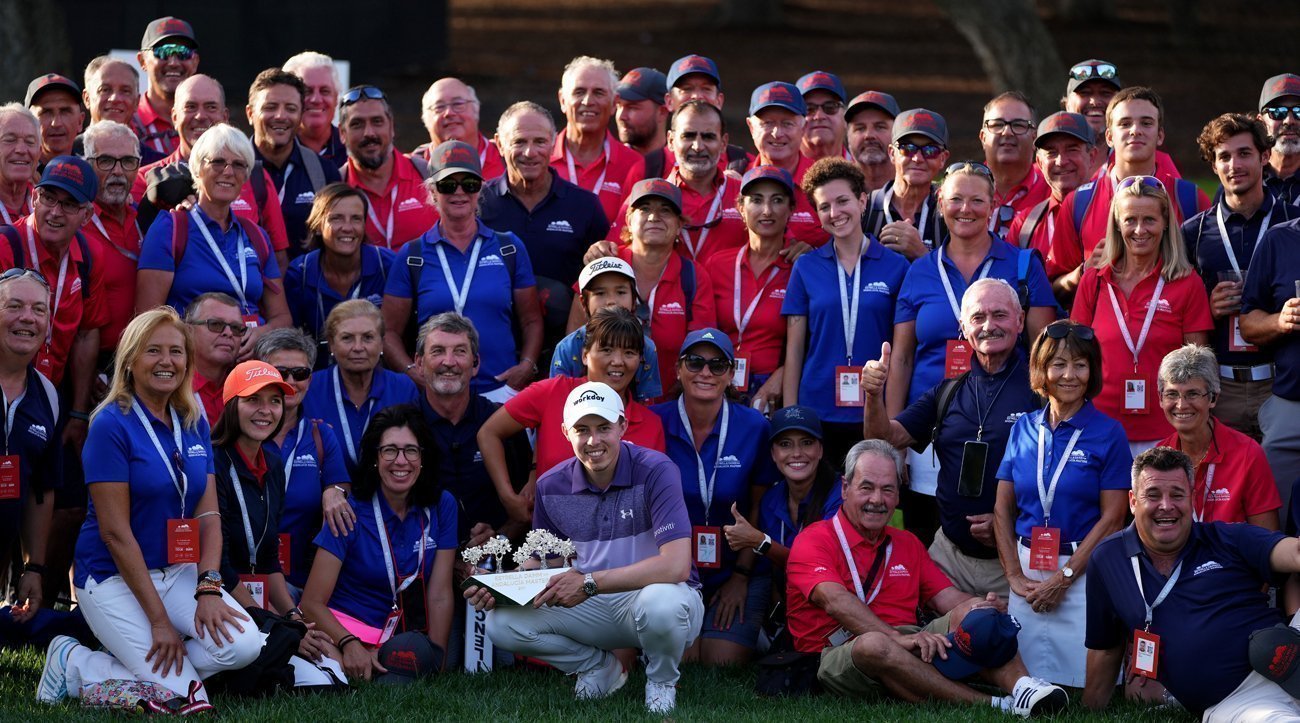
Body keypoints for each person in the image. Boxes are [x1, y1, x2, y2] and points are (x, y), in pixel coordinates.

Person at [37, 308, 262, 705]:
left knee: (244, 646)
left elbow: (208, 514)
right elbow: (114, 533)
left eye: (176, 352)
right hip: (112, 576)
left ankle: (119, 663)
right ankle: (73, 662)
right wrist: (160, 622)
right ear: (130, 361)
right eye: (152, 351)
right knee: (186, 698)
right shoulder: (110, 423)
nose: (166, 361)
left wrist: (209, 587)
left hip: (178, 571)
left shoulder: (193, 417)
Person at [467, 381, 703, 714]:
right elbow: (544, 562)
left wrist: (590, 582)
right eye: (582, 429)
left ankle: (662, 682)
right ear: (565, 432)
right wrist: (500, 586)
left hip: (656, 597)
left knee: (661, 603)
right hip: (593, 602)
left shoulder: (656, 471)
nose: (593, 441)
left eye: (604, 427)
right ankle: (598, 668)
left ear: (622, 426)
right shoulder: (551, 485)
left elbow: (676, 566)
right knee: (500, 623)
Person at [785, 439, 1068, 715]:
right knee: (875, 644)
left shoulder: (906, 542)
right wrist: (895, 637)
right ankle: (993, 705)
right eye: (866, 488)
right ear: (845, 488)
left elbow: (947, 598)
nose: (877, 500)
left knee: (975, 612)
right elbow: (834, 601)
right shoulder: (815, 539)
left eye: (887, 490)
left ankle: (1024, 689)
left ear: (898, 495)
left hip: (910, 640)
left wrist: (984, 606)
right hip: (840, 652)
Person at [889, 162, 1058, 541]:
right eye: (956, 199)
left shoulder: (1022, 264)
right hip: (930, 428)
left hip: (1004, 429)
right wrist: (893, 443)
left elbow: (1044, 354)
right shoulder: (919, 270)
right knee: (926, 538)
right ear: (939, 202)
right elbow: (901, 358)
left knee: (995, 538)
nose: (966, 209)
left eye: (977, 200)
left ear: (993, 204)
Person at [1082, 446, 1300, 720]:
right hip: (1241, 700)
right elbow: (1105, 646)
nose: (1166, 505)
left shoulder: (1225, 538)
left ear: (1192, 499)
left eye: (1177, 494)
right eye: (1153, 495)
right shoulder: (1108, 560)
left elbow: (1294, 553)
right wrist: (1089, 711)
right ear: (1132, 501)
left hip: (1289, 653)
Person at [864, 279, 1042, 599]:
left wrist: (1008, 525)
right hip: (948, 559)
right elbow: (884, 436)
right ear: (963, 327)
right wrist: (874, 395)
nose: (989, 326)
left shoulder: (1042, 392)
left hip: (1015, 564)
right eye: (977, 318)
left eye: (999, 315)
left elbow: (1064, 482)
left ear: (1020, 320)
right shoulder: (948, 391)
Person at [993, 320, 1131, 687]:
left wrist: (1064, 577)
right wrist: (1012, 576)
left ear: (1092, 372)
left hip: (1082, 573)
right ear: (1042, 369)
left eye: (1080, 365)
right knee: (1024, 679)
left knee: (1080, 682)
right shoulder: (1021, 427)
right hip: (1026, 573)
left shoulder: (1109, 432)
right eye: (1058, 364)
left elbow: (1115, 517)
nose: (1069, 375)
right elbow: (1002, 510)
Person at [300, 405, 457, 683]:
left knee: (425, 659)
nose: (401, 461)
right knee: (343, 669)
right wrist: (350, 644)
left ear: (423, 458)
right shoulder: (349, 510)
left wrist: (437, 661)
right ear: (375, 457)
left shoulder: (442, 505)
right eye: (389, 450)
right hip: (346, 631)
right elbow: (311, 603)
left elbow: (440, 593)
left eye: (411, 450)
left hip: (407, 635)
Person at [381, 140, 542, 401]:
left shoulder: (508, 247)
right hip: (437, 393)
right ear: (432, 191)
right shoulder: (413, 256)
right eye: (447, 185)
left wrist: (526, 367)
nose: (459, 192)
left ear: (480, 190)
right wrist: (411, 372)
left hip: (500, 391)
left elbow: (532, 320)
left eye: (469, 184)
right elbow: (388, 331)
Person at [652, 329, 773, 664]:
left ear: (731, 374)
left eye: (717, 365)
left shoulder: (754, 426)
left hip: (733, 567)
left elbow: (758, 505)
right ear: (678, 369)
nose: (705, 372)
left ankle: (755, 627)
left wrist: (741, 577)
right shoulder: (655, 422)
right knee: (684, 658)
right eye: (695, 362)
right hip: (673, 569)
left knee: (722, 661)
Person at [481, 307, 665, 524]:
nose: (618, 361)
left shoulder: (652, 425)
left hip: (625, 552)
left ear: (640, 360)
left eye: (629, 352)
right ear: (585, 355)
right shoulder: (551, 393)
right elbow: (488, 433)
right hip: (554, 546)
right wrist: (508, 497)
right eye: (606, 350)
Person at [1071, 177, 1212, 452]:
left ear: (1165, 223)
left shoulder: (1187, 283)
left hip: (1167, 431)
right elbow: (1076, 355)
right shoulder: (1095, 281)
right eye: (1130, 220)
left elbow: (1198, 367)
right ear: (1116, 224)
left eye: (1149, 219)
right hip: (1100, 429)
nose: (1139, 230)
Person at [783, 158, 908, 466]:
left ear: (862, 201)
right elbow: (795, 350)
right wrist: (790, 417)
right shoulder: (806, 268)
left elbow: (904, 353)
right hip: (816, 410)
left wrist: (894, 421)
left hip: (873, 411)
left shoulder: (896, 266)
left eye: (843, 201)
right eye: (824, 207)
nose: (835, 213)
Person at [1182, 113, 1297, 439]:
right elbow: (1173, 308)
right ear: (1213, 166)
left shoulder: (1293, 223)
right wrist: (1207, 308)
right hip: (1220, 387)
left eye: (1244, 153)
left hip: (1281, 385)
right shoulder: (1194, 232)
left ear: (1264, 156)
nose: (1235, 164)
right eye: (1224, 157)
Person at [135, 123, 292, 344]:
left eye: (239, 165)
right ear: (198, 169)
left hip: (250, 362)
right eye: (218, 162)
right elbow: (147, 321)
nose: (228, 172)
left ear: (246, 175)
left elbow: (282, 317)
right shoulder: (169, 229)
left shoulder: (256, 236)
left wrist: (260, 334)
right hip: (193, 366)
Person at [1047, 87, 1209, 296]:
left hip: (1170, 325)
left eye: (1146, 123)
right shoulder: (1078, 202)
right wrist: (1082, 273)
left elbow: (1208, 280)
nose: (1135, 130)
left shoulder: (1190, 198)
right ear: (1109, 136)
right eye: (1124, 124)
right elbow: (1053, 290)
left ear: (1160, 135)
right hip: (1099, 326)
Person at [479, 101, 609, 358]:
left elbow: (602, 280)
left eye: (539, 141)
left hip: (563, 352)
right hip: (490, 353)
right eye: (518, 142)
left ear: (553, 143)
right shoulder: (478, 203)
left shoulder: (585, 205)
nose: (530, 152)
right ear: (499, 144)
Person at [130, 76, 290, 266]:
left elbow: (278, 259)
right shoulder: (144, 179)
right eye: (190, 107)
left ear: (225, 117)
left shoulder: (253, 176)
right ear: (174, 117)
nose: (200, 116)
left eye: (211, 107)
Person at [577, 179, 716, 388]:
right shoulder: (604, 265)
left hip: (668, 403)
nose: (654, 217)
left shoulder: (694, 276)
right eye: (644, 209)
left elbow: (701, 350)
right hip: (603, 402)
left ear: (679, 225)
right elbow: (575, 339)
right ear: (629, 220)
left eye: (666, 210)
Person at [413, 312, 531, 544]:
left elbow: (527, 505)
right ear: (418, 363)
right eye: (437, 351)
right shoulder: (399, 427)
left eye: (460, 351)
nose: (449, 362)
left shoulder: (503, 422)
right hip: (420, 565)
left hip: (497, 565)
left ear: (475, 363)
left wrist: (498, 539)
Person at [254, 328, 351, 595]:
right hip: (247, 579)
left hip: (302, 581)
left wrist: (334, 491)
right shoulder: (241, 434)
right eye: (279, 373)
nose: (290, 382)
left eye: (300, 374)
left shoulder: (321, 435)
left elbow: (342, 489)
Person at [605, 100, 747, 267]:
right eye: (688, 136)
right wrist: (601, 249)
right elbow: (613, 251)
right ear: (671, 141)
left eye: (708, 137)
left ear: (723, 143)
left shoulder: (746, 194)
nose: (698, 146)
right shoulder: (645, 196)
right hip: (667, 292)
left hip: (732, 293)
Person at [1154, 344, 1280, 528]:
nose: (1181, 405)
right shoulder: (1158, 456)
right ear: (1160, 398)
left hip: (1233, 556)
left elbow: (1267, 539)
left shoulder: (1248, 454)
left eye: (1193, 394)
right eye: (1172, 394)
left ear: (1213, 398)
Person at [0, 270, 64, 627]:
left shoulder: (48, 396)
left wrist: (34, 566)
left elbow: (41, 492)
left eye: (39, 310)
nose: (28, 317)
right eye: (14, 306)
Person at [210, 360, 298, 614]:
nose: (266, 410)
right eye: (253, 399)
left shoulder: (273, 464)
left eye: (275, 401)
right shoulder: (212, 462)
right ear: (232, 405)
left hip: (255, 601)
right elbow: (220, 563)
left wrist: (293, 617)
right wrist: (268, 619)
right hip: (215, 597)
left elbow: (269, 559)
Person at [704, 165, 795, 410]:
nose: (767, 210)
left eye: (777, 200)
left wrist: (782, 376)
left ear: (790, 210)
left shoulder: (800, 267)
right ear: (741, 209)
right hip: (719, 381)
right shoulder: (717, 264)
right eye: (756, 200)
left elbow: (812, 341)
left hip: (775, 391)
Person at [302, 300, 419, 477]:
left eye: (368, 337)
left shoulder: (403, 388)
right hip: (326, 497)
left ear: (381, 344)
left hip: (388, 496)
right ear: (332, 345)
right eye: (347, 338)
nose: (358, 347)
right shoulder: (310, 387)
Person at [723, 405, 843, 577]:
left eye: (807, 443)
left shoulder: (841, 495)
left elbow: (817, 567)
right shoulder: (770, 499)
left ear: (820, 450)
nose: (796, 453)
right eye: (785, 444)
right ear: (773, 453)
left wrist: (760, 541)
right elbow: (770, 570)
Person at [284, 183, 395, 361]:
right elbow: (291, 338)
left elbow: (398, 334)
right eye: (336, 218)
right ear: (318, 225)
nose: (347, 227)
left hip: (377, 374)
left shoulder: (387, 266)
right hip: (319, 378)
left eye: (356, 219)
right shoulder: (300, 274)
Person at [246, 68, 342, 256]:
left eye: (291, 109)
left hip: (305, 284)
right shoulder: (227, 170)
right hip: (245, 285)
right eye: (270, 107)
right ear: (250, 114)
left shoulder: (324, 172)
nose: (281, 116)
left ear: (300, 116)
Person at [1242, 216, 1300, 517]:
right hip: (1291, 406)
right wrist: (1279, 321)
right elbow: (1247, 322)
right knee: (1272, 522)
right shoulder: (1279, 240)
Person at [338, 85, 438, 250]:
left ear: (391, 127)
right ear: (342, 133)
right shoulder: (334, 187)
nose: (369, 133)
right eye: (357, 124)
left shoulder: (427, 175)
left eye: (377, 122)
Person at [552, 256, 662, 401]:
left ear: (634, 301)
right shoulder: (567, 348)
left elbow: (647, 405)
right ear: (584, 303)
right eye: (600, 293)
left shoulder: (646, 347)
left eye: (621, 292)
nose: (611, 301)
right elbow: (556, 403)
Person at [550, 56, 645, 222]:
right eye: (579, 92)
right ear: (563, 100)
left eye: (599, 92)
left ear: (614, 103)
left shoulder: (634, 165)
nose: (588, 101)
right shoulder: (540, 158)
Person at [81, 120, 144, 358]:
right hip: (94, 362)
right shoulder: (75, 225)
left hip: (144, 356)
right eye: (106, 161)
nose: (118, 171)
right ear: (87, 164)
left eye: (128, 161)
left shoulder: (148, 218)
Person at [1060, 59, 1179, 181]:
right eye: (1085, 93)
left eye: (1105, 93)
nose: (1095, 102)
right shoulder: (1050, 166)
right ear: (1067, 104)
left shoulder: (1155, 163)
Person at [1006, 113, 1095, 261]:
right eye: (1051, 152)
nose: (1061, 161)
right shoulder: (1024, 225)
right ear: (1040, 163)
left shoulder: (1113, 211)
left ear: (1092, 157)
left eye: (1072, 149)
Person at [864, 109, 951, 259]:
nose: (917, 158)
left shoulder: (952, 212)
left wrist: (921, 253)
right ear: (892, 153)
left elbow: (960, 279)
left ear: (943, 158)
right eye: (907, 149)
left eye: (930, 150)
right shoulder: (866, 209)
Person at [746, 82, 821, 246]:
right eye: (767, 123)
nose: (777, 133)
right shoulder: (733, 181)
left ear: (804, 128)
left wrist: (815, 256)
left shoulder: (824, 183)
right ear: (751, 128)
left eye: (787, 123)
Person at [979, 92, 1048, 239]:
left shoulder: (1053, 192)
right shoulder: (960, 191)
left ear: (1034, 138)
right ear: (983, 138)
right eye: (997, 124)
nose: (1007, 132)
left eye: (1018, 125)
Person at [413, 78, 506, 181]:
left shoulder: (507, 158)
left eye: (458, 104)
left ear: (476, 109)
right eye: (439, 107)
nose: (449, 113)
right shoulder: (409, 167)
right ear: (425, 118)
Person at [133, 16, 200, 157]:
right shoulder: (128, 121)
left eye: (183, 52)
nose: (174, 63)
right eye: (162, 52)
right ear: (142, 61)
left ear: (195, 62)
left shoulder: (208, 121)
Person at [79, 57, 164, 166]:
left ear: (137, 102)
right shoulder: (67, 156)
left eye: (125, 91)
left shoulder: (157, 166)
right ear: (87, 98)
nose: (115, 98)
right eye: (105, 90)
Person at [184, 293, 245, 427]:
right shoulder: (171, 386)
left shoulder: (247, 387)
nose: (228, 333)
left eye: (236, 328)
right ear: (188, 331)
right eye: (216, 324)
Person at [282, 51, 347, 167]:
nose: (316, 99)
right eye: (307, 91)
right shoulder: (274, 153)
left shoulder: (353, 150)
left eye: (324, 91)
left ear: (336, 98)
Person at [844, 90, 899, 194]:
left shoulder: (921, 191)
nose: (869, 135)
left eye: (880, 127)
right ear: (848, 137)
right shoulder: (835, 192)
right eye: (860, 128)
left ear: (898, 133)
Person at [25, 74, 85, 167]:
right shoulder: (10, 175)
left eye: (65, 111)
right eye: (46, 112)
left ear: (80, 122)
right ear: (27, 123)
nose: (56, 123)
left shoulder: (93, 174)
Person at [1259, 73, 1300, 206]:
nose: (1289, 121)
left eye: (1299, 111)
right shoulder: (1243, 179)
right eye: (1277, 112)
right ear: (1261, 122)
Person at [615, 67, 669, 157]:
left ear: (662, 112)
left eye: (632, 107)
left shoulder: (683, 166)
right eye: (618, 106)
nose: (621, 116)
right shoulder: (607, 163)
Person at [797, 71, 848, 162]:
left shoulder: (865, 172)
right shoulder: (773, 173)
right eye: (808, 109)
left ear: (845, 117)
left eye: (830, 107)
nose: (819, 116)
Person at [0, 104, 38, 225]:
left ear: (40, 152)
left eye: (30, 142)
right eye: (10, 140)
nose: (21, 150)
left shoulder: (50, 207)